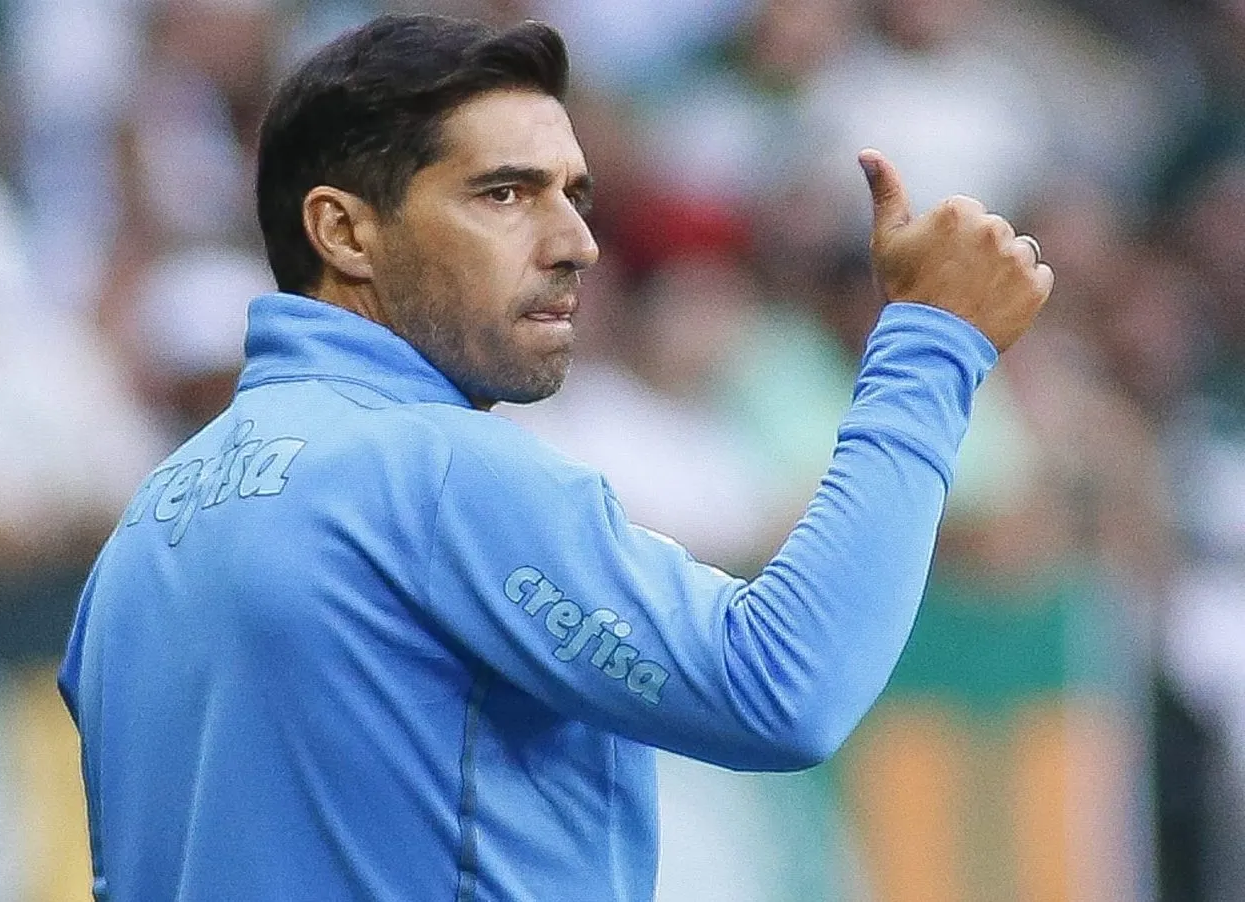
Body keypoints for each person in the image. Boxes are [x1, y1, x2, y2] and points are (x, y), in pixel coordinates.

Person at [58, 13, 1052, 901]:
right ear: (343, 229)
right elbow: (784, 687)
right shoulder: (434, 469)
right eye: (504, 193)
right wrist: (932, 343)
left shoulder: (143, 529)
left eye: (575, 196)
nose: (576, 241)